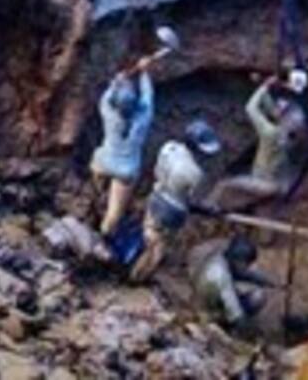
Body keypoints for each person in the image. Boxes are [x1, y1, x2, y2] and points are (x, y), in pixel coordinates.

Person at [130, 120, 221, 283]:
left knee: (150, 236)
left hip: (156, 196)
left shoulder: (168, 148)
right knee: (158, 250)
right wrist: (210, 209)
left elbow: (156, 170)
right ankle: (138, 279)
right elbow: (193, 200)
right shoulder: (195, 173)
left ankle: (137, 267)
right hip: (171, 211)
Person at [206, 75, 307, 212]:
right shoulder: (291, 135)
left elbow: (250, 108)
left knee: (224, 184)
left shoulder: (270, 133)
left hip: (264, 184)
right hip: (279, 182)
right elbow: (276, 113)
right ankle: (247, 205)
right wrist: (265, 87)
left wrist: (264, 86)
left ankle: (209, 206)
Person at [90, 61, 155, 237]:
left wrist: (117, 81)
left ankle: (98, 189)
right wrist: (144, 73)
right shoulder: (143, 117)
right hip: (126, 171)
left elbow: (106, 96)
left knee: (95, 163)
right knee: (114, 212)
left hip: (105, 160)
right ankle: (103, 234)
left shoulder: (108, 112)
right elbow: (148, 94)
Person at [189, 235, 276, 330]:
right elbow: (234, 309)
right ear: (239, 261)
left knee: (250, 291)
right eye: (246, 263)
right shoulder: (222, 276)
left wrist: (259, 279)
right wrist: (245, 326)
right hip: (210, 308)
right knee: (258, 297)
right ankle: (224, 324)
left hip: (211, 297)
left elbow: (239, 273)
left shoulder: (221, 259)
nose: (248, 266)